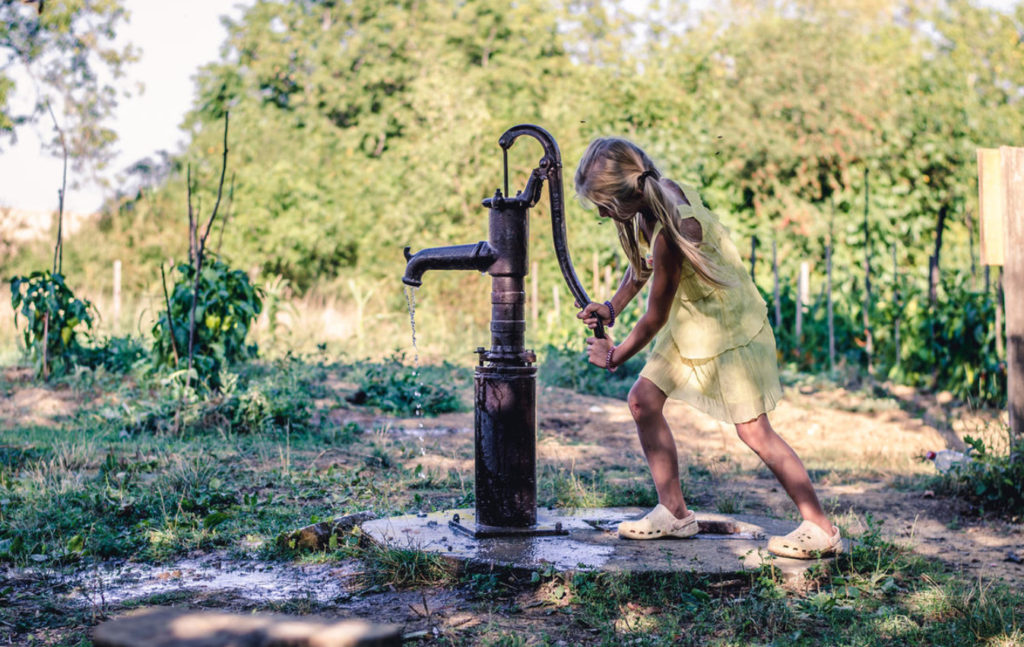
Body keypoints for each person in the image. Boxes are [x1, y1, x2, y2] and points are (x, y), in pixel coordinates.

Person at [574, 136, 841, 558]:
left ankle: (821, 527)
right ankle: (674, 512)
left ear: (625, 196)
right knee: (643, 401)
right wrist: (611, 308)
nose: (602, 214)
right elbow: (642, 273)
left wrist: (614, 355)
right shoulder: (656, 202)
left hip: (728, 329)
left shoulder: (671, 229)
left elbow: (655, 317)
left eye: (603, 205)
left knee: (755, 432)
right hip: (692, 324)